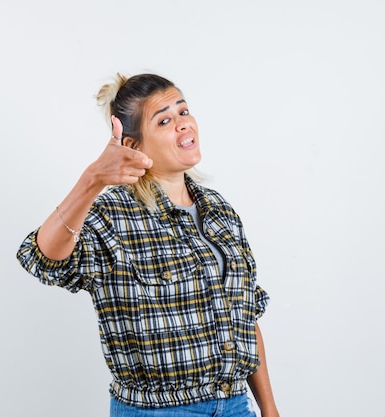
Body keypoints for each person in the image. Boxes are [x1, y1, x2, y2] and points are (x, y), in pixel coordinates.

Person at [16, 73, 280, 417]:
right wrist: (93, 179)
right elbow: (41, 259)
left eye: (183, 112)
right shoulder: (113, 215)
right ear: (134, 146)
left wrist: (270, 409)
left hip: (235, 407)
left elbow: (245, 317)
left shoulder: (220, 212)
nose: (183, 125)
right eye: (165, 120)